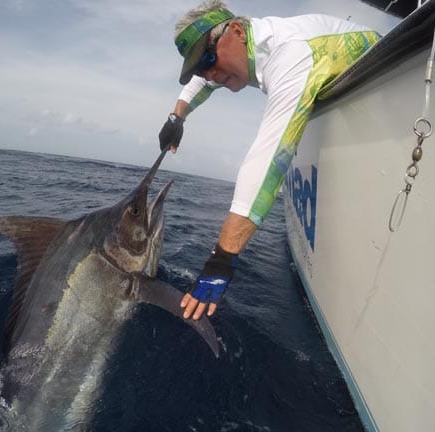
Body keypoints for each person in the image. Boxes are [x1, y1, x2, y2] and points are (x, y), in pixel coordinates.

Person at [159, 0, 380, 320]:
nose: (210, 74)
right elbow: (203, 81)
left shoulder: (291, 53)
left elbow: (270, 158)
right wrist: (176, 118)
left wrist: (221, 260)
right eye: (201, 67)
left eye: (208, 60)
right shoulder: (241, 48)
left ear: (236, 30)